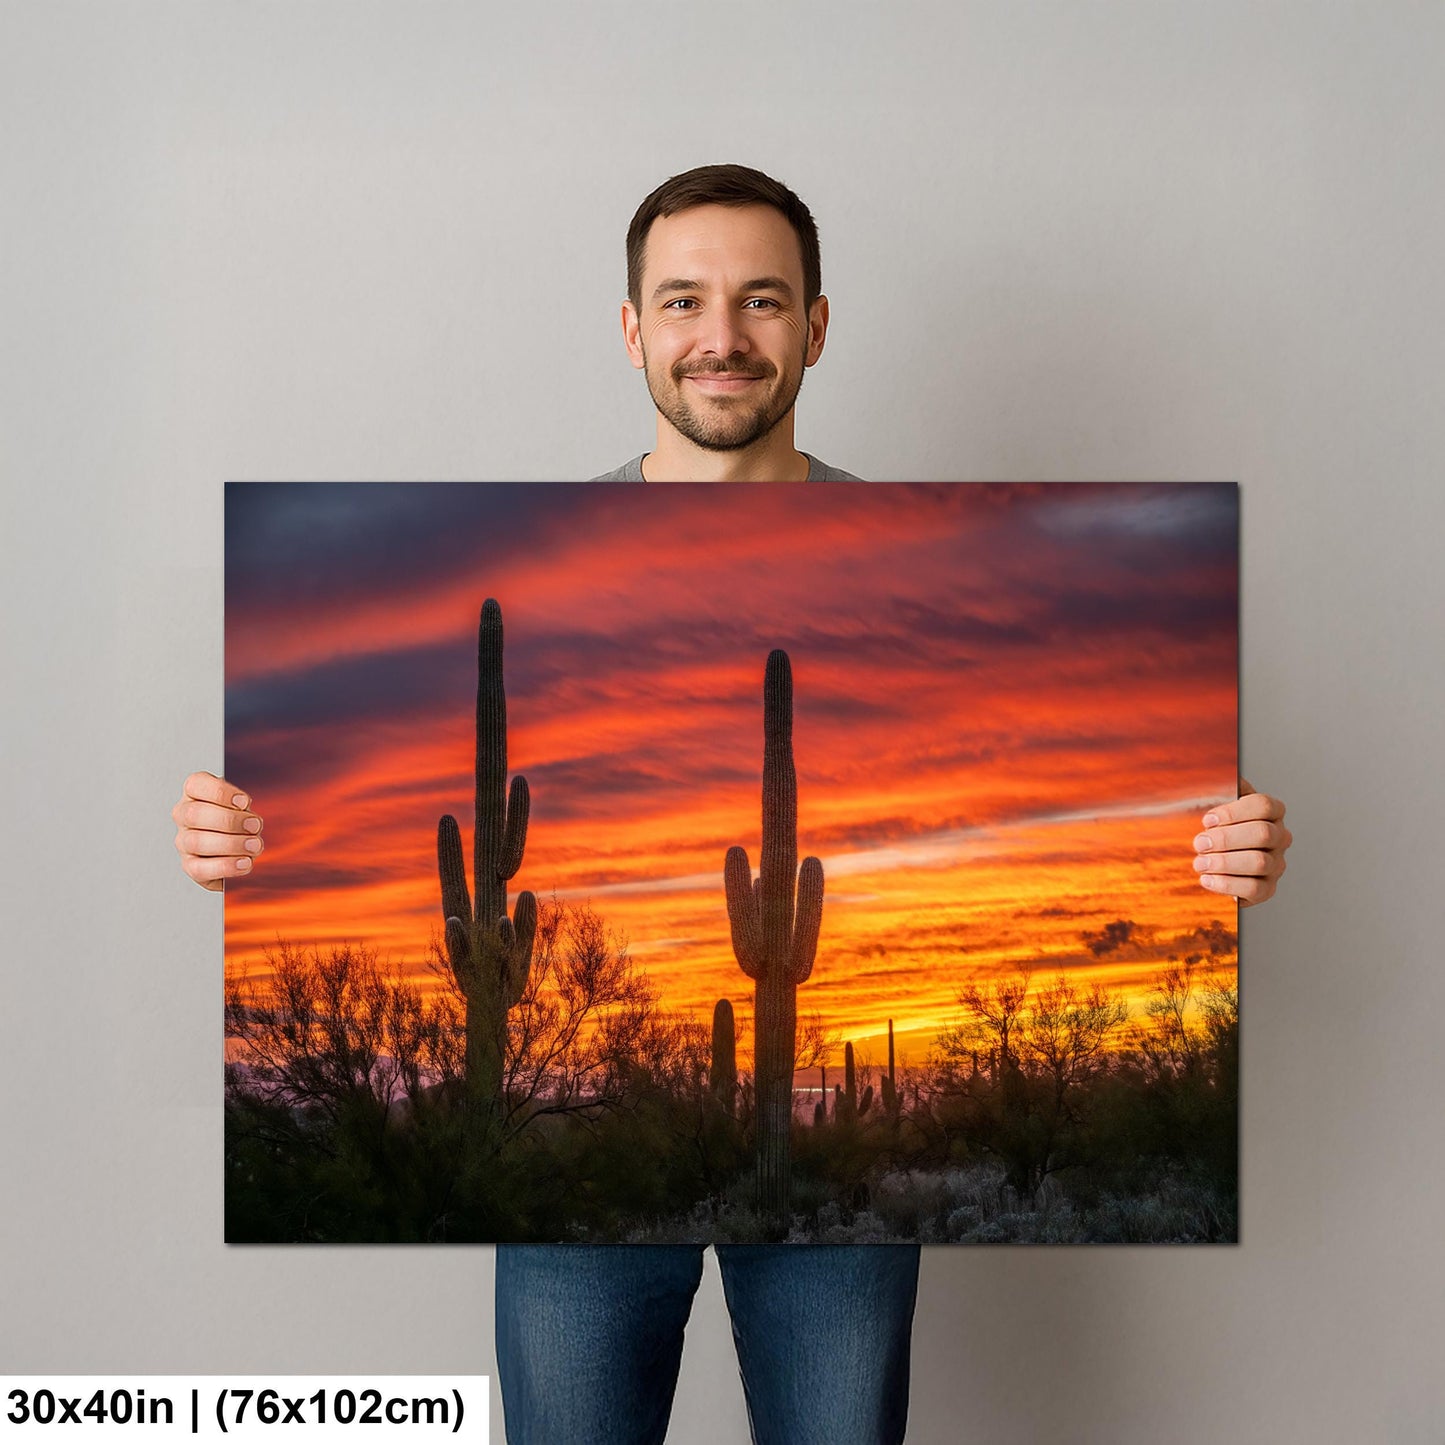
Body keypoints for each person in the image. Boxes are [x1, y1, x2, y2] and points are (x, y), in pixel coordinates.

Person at [173, 165, 1293, 1445]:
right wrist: (250, 839)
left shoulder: (919, 553)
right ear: (632, 327)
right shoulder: (517, 559)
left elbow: (1082, 795)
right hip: (575, 1152)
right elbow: (380, 788)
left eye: (761, 301)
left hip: (826, 1182)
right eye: (685, 300)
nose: (722, 336)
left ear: (814, 326)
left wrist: (1211, 848)